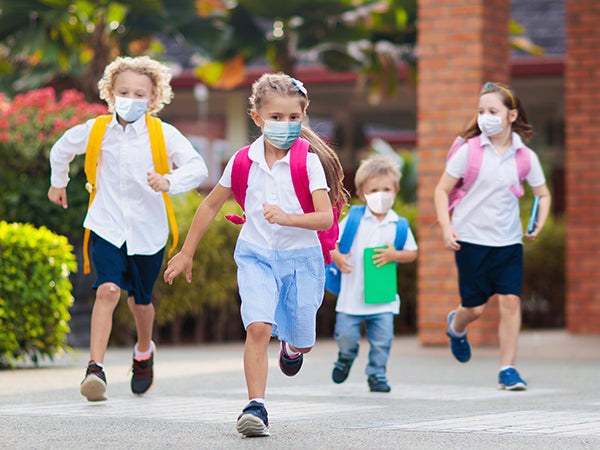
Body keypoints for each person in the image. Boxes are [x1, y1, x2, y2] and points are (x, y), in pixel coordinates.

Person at [164, 73, 348, 437]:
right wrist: (187, 252)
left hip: (303, 260)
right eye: (276, 118)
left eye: (294, 118)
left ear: (303, 117)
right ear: (257, 118)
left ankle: (293, 350)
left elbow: (326, 216)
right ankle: (255, 407)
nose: (286, 125)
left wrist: (288, 218)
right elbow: (210, 205)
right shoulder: (242, 161)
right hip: (256, 255)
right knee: (259, 326)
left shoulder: (307, 162)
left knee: (303, 338)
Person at [48, 56, 208, 402]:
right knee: (107, 290)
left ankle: (143, 351)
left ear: (153, 99)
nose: (131, 99)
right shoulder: (96, 130)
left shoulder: (163, 134)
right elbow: (61, 149)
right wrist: (57, 183)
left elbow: (197, 166)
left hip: (148, 232)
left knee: (140, 303)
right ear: (110, 93)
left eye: (140, 94)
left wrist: (169, 181)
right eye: (124, 92)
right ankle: (95, 369)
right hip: (106, 225)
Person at [434, 82, 551, 391]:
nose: (485, 117)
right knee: (475, 308)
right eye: (481, 111)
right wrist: (447, 228)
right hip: (470, 240)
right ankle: (456, 327)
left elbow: (543, 194)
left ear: (511, 115)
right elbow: (441, 190)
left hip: (509, 242)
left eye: (493, 111)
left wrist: (539, 221)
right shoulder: (469, 151)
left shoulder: (525, 156)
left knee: (511, 302)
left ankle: (508, 368)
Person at [330, 155, 418, 393]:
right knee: (346, 336)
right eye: (374, 189)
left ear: (396, 191)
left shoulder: (399, 224)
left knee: (382, 341)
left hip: (383, 298)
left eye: (387, 189)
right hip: (351, 297)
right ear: (362, 192)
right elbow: (331, 242)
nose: (381, 194)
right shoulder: (354, 219)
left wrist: (395, 255)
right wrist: (336, 257)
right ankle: (346, 357)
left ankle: (377, 374)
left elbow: (411, 252)